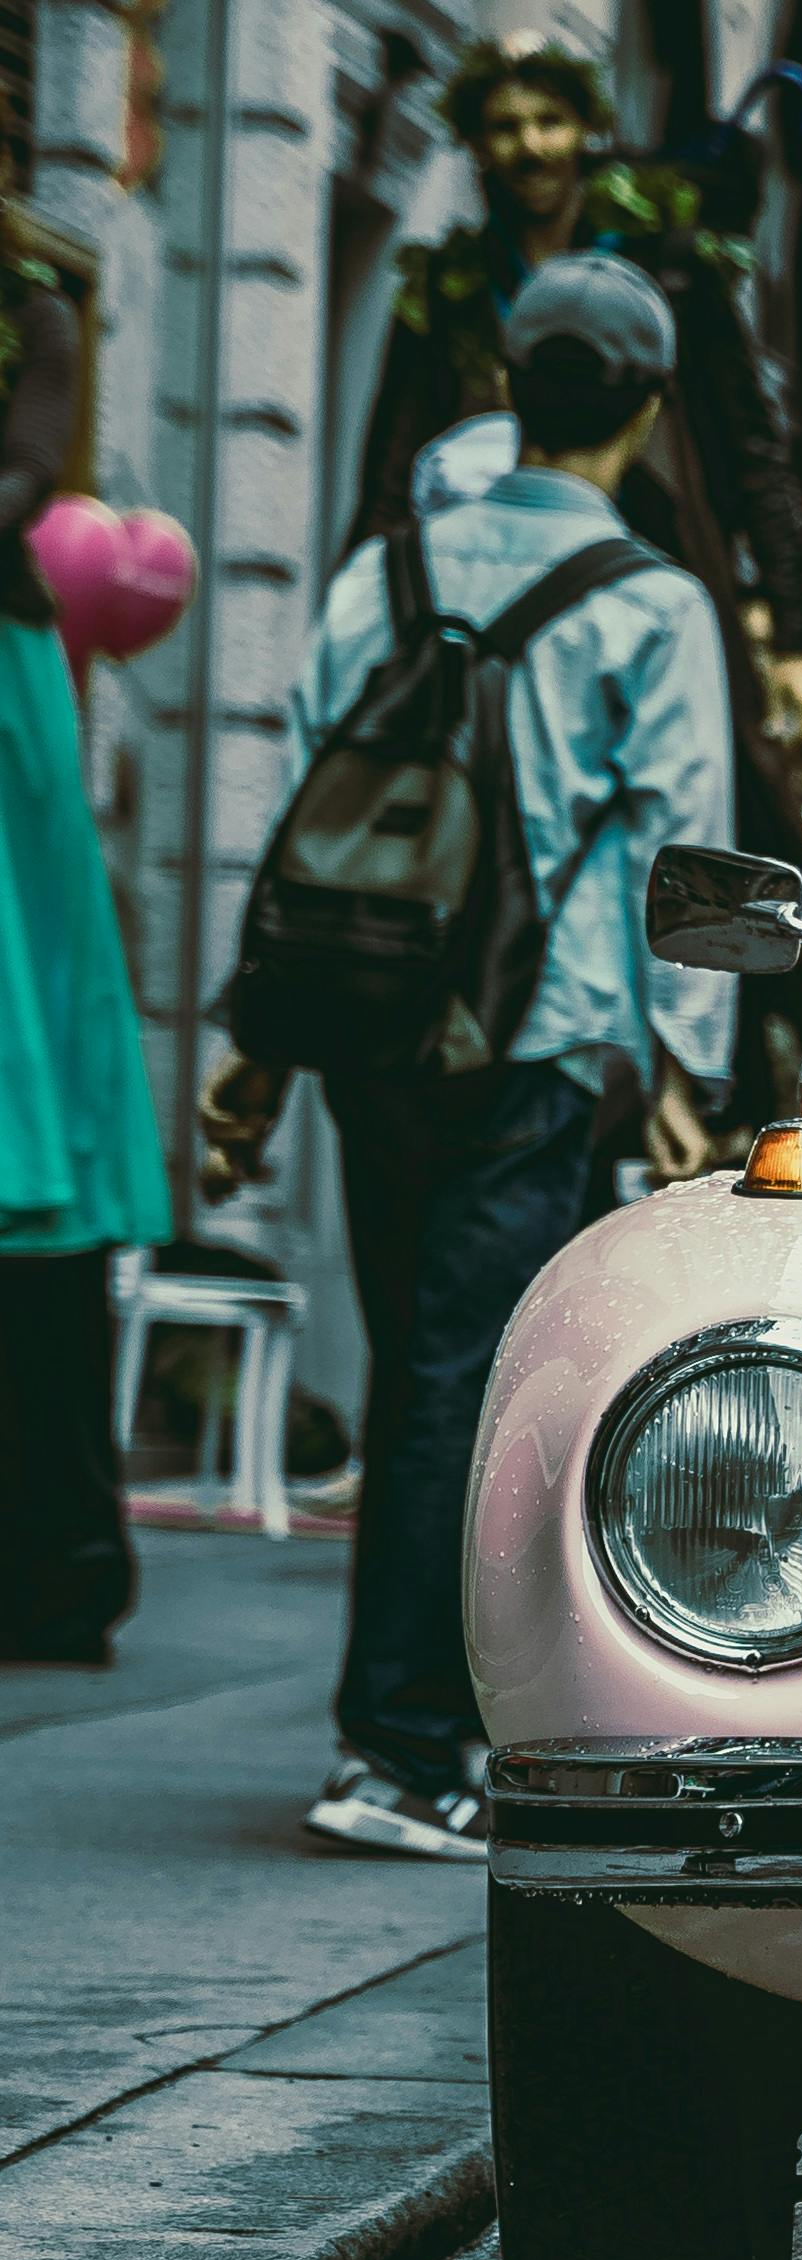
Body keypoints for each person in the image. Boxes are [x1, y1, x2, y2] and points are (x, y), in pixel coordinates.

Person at [199, 255, 736, 1855]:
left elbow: (304, 796)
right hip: (539, 1032)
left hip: (370, 1026)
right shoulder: (650, 604)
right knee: (466, 1378)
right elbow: (679, 854)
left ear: (505, 384)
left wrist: (258, 1037)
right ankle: (405, 1747)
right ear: (644, 407)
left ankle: (407, 1727)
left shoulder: (383, 567)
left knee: (415, 1364)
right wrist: (686, 1064)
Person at [346, 36, 802, 1155]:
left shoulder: (666, 267)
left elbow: (754, 452)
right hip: (479, 622)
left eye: (549, 122)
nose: (529, 148)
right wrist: (382, 611)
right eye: (505, 128)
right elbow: (387, 474)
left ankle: (724, 1095)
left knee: (722, 827)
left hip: (646, 581)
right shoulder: (452, 289)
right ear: (476, 145)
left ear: (584, 129)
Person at [0, 253, 169, 1663]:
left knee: (29, 1040)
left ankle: (58, 1553)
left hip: (5, 690)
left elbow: (21, 480)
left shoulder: (33, 308)